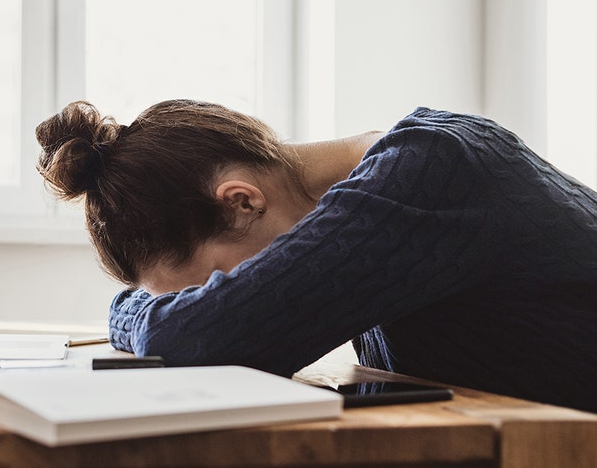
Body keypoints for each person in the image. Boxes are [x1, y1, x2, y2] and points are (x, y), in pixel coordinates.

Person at [35, 99, 597, 413]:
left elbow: (198, 336)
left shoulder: (431, 174)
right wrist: (144, 307)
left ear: (240, 202)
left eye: (215, 284)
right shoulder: (396, 187)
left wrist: (140, 313)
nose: (222, 297)